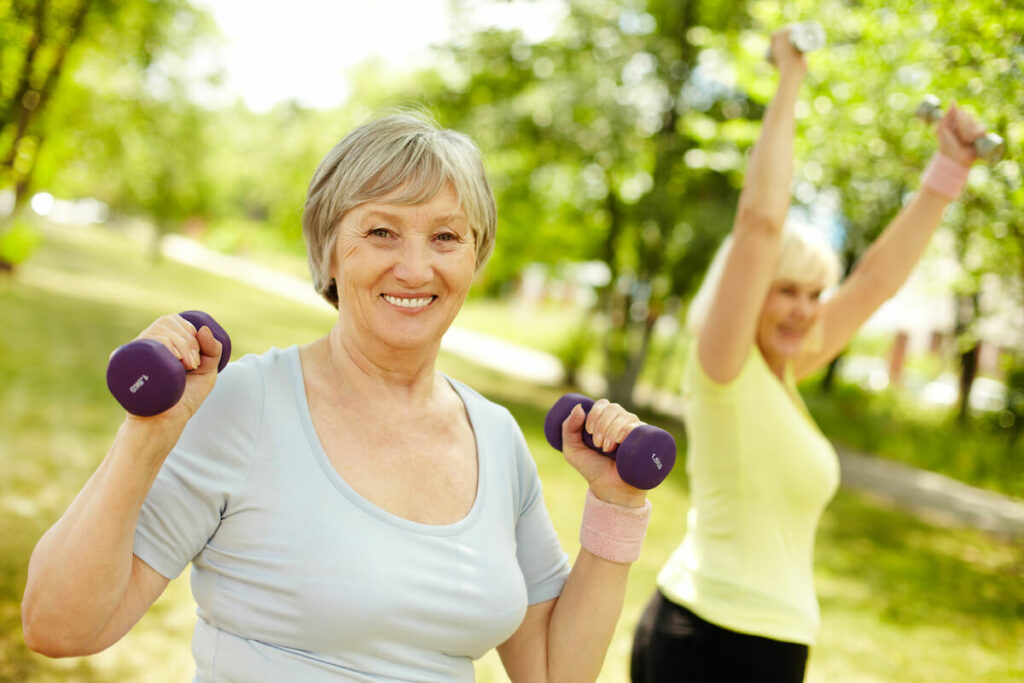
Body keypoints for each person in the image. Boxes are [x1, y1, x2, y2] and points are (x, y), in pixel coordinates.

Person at [22, 112, 656, 682]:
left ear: (476, 259)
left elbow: (552, 674)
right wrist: (147, 433)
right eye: (381, 232)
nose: (414, 268)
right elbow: (61, 629)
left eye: (445, 237)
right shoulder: (248, 401)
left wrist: (617, 507)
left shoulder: (493, 436)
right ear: (328, 251)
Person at [630, 27, 987, 683]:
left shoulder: (787, 374)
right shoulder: (722, 371)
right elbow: (760, 222)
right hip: (706, 634)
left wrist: (948, 171)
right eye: (785, 291)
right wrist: (790, 73)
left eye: (815, 293)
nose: (804, 309)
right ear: (747, 293)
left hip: (776, 642)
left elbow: (875, 280)